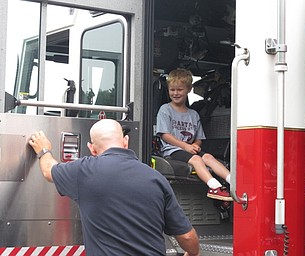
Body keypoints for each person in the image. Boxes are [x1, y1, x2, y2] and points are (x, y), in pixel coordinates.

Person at [28, 119, 200, 256]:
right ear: (126, 141)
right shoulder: (156, 178)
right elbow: (187, 236)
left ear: (92, 149)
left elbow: (48, 171)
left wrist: (44, 150)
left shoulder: (83, 171)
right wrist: (192, 253)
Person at [156, 68, 232, 201]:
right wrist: (185, 147)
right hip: (172, 150)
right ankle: (214, 187)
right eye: (172, 90)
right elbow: (165, 135)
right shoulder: (165, 110)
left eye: (179, 90)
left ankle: (235, 182)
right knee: (197, 160)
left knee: (208, 157)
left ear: (189, 89)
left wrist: (196, 145)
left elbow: (199, 138)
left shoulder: (193, 114)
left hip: (189, 149)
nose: (175, 93)